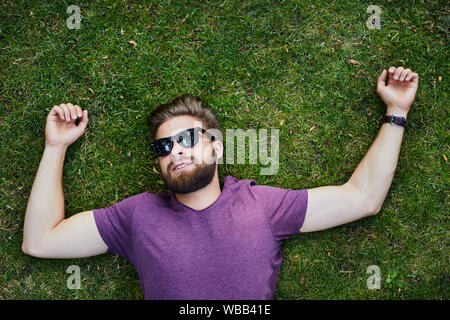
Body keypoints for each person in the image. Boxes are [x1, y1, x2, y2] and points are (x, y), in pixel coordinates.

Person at [22, 66, 418, 299]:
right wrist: (56, 147)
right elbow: (40, 241)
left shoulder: (262, 205)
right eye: (163, 146)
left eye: (188, 140)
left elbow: (363, 197)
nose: (175, 151)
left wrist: (396, 112)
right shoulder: (136, 216)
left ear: (216, 149)